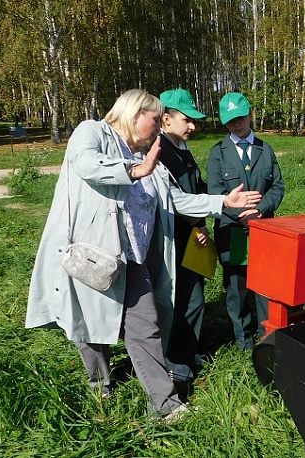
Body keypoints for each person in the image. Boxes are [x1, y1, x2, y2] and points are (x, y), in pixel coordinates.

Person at [25, 89, 261, 421]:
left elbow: (175, 202)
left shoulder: (145, 155)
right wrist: (134, 171)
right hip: (93, 255)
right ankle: (100, 385)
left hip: (133, 260)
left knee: (145, 325)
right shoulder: (92, 132)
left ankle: (163, 404)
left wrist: (221, 203)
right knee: (91, 328)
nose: (157, 127)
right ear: (136, 114)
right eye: (154, 119)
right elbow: (86, 165)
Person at [207, 92, 285, 351]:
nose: (236, 125)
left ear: (250, 114)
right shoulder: (218, 153)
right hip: (233, 231)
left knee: (265, 285)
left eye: (240, 118)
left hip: (263, 229)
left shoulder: (265, 149)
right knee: (237, 287)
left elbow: (277, 186)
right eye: (230, 121)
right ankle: (244, 340)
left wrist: (260, 211)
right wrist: (240, 215)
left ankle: (267, 337)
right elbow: (214, 193)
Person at [156, 88, 209, 383]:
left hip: (191, 236)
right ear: (166, 119)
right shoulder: (160, 152)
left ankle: (187, 351)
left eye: (194, 121)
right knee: (184, 301)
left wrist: (200, 225)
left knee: (192, 298)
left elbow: (196, 191)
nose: (192, 126)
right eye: (186, 120)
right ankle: (176, 363)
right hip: (172, 239)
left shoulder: (181, 148)